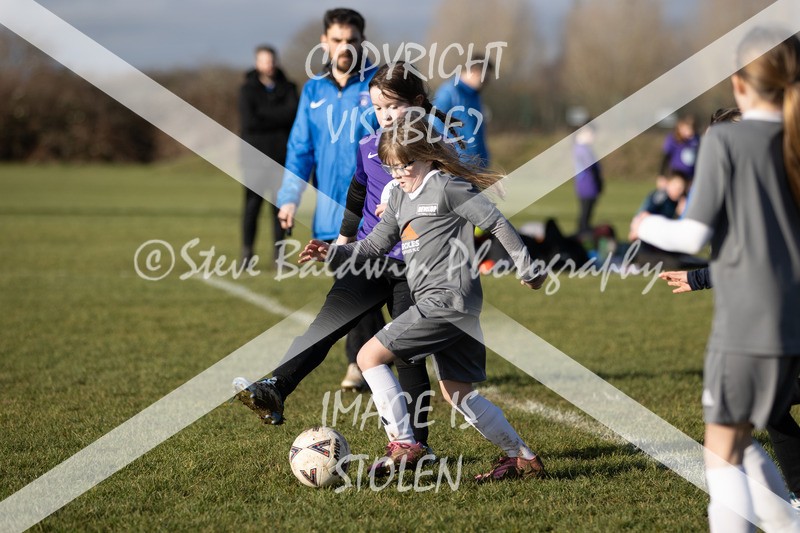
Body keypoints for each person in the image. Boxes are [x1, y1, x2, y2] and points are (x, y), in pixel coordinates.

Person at [299, 115, 548, 482]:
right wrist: (332, 253)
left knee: (368, 356)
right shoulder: (399, 196)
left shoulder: (447, 187)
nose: (399, 173)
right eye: (392, 167)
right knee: (458, 394)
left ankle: (403, 443)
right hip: (445, 305)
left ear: (429, 156)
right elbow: (374, 245)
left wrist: (526, 266)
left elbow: (494, 222)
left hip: (449, 300)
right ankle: (523, 457)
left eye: (406, 165)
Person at [233, 63, 458, 453]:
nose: (384, 116)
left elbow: (460, 202)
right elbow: (358, 193)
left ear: (418, 104)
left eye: (393, 107)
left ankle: (416, 448)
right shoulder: (369, 145)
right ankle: (275, 389)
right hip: (369, 259)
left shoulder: (436, 152)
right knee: (324, 326)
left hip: (414, 270)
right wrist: (342, 241)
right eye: (378, 108)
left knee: (407, 356)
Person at [634, 29, 800, 531]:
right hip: (791, 321)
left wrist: (647, 224)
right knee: (742, 437)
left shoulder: (727, 138)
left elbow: (692, 233)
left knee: (722, 451)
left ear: (739, 83)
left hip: (748, 323)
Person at [275, 8, 380, 390]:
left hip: (377, 210)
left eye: (352, 40)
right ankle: (365, 362)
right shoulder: (313, 91)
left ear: (361, 42)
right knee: (355, 290)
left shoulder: (378, 85)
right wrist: (289, 198)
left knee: (363, 289)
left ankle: (363, 363)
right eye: (337, 40)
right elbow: (300, 150)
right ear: (325, 42)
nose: (344, 47)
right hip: (331, 214)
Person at [239, 45, 298, 267]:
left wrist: (264, 115)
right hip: (254, 159)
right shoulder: (247, 90)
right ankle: (247, 254)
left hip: (281, 158)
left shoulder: (290, 87)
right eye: (264, 61)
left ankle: (279, 257)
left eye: (271, 60)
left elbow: (293, 115)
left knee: (279, 208)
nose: (269, 65)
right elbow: (249, 122)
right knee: (251, 208)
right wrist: (279, 117)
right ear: (257, 63)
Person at [433, 55, 493, 166]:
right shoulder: (449, 92)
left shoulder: (475, 95)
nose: (487, 83)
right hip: (457, 164)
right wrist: (450, 155)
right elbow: (434, 125)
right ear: (475, 72)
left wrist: (484, 156)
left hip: (477, 164)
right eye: (485, 78)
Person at [573, 121, 603, 235]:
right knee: (585, 216)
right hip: (587, 185)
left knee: (585, 215)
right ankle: (582, 237)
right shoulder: (582, 148)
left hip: (586, 185)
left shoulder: (582, 147)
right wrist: (598, 182)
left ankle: (582, 234)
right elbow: (591, 167)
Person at [656, 114, 699, 189]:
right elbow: (665, 157)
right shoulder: (673, 139)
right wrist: (661, 176)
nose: (690, 132)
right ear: (680, 127)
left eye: (692, 128)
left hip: (692, 176)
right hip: (677, 174)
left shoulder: (696, 139)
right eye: (687, 128)